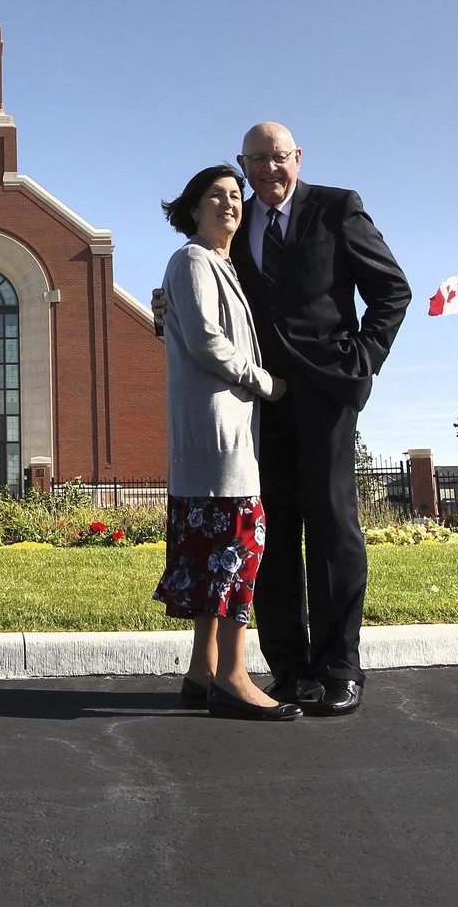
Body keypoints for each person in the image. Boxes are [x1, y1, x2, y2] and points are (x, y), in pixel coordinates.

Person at [154, 123, 409, 717]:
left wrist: (361, 359)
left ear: (298, 159)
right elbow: (204, 297)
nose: (268, 172)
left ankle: (339, 668)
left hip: (324, 397)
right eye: (256, 162)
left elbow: (392, 291)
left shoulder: (337, 209)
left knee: (331, 528)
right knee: (268, 540)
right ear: (245, 164)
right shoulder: (234, 233)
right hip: (260, 407)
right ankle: (292, 671)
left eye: (279, 158)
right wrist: (166, 308)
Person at [155, 165, 294, 721]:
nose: (230, 203)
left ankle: (202, 672)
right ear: (192, 208)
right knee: (239, 553)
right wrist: (268, 383)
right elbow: (210, 343)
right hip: (219, 439)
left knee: (213, 559)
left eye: (237, 196)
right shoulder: (192, 259)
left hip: (222, 435)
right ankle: (235, 678)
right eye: (216, 196)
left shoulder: (217, 265)